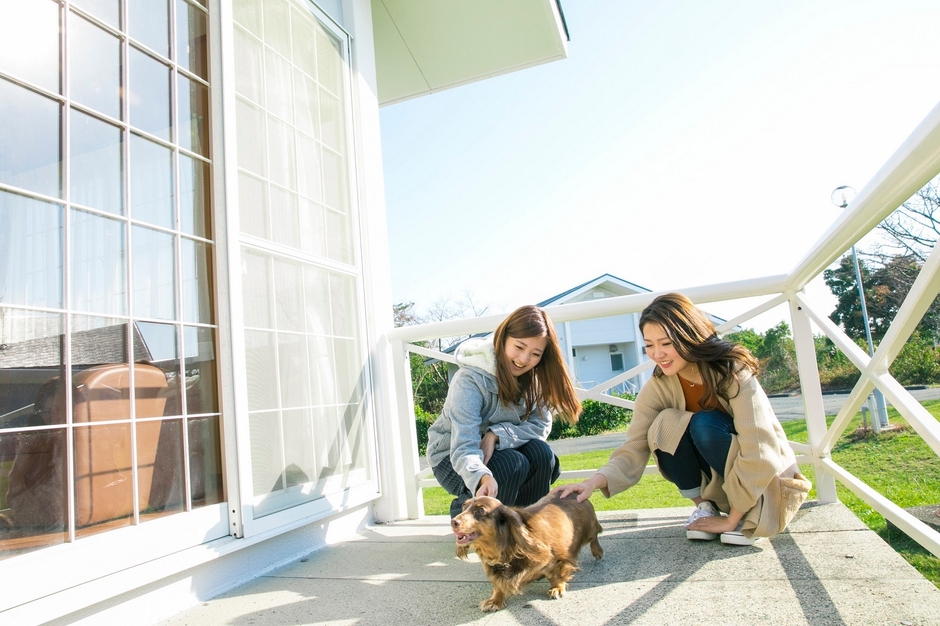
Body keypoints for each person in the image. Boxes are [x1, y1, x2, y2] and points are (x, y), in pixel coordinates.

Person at [555, 293, 811, 545]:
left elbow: (760, 447)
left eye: (666, 343)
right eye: (649, 345)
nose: (657, 354)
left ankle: (744, 515)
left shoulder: (732, 372)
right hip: (723, 485)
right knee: (664, 424)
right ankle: (705, 508)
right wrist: (592, 483)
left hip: (766, 485)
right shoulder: (660, 384)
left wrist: (731, 521)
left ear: (689, 336)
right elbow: (635, 446)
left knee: (705, 424)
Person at [426, 305, 582, 518]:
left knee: (542, 454)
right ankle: (467, 513)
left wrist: (497, 435)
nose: (524, 359)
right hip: (454, 456)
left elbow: (540, 426)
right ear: (503, 338)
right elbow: (463, 445)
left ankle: (526, 524)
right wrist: (482, 476)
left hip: (502, 451)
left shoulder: (535, 380)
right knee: (512, 462)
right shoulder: (470, 380)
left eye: (535, 354)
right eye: (519, 347)